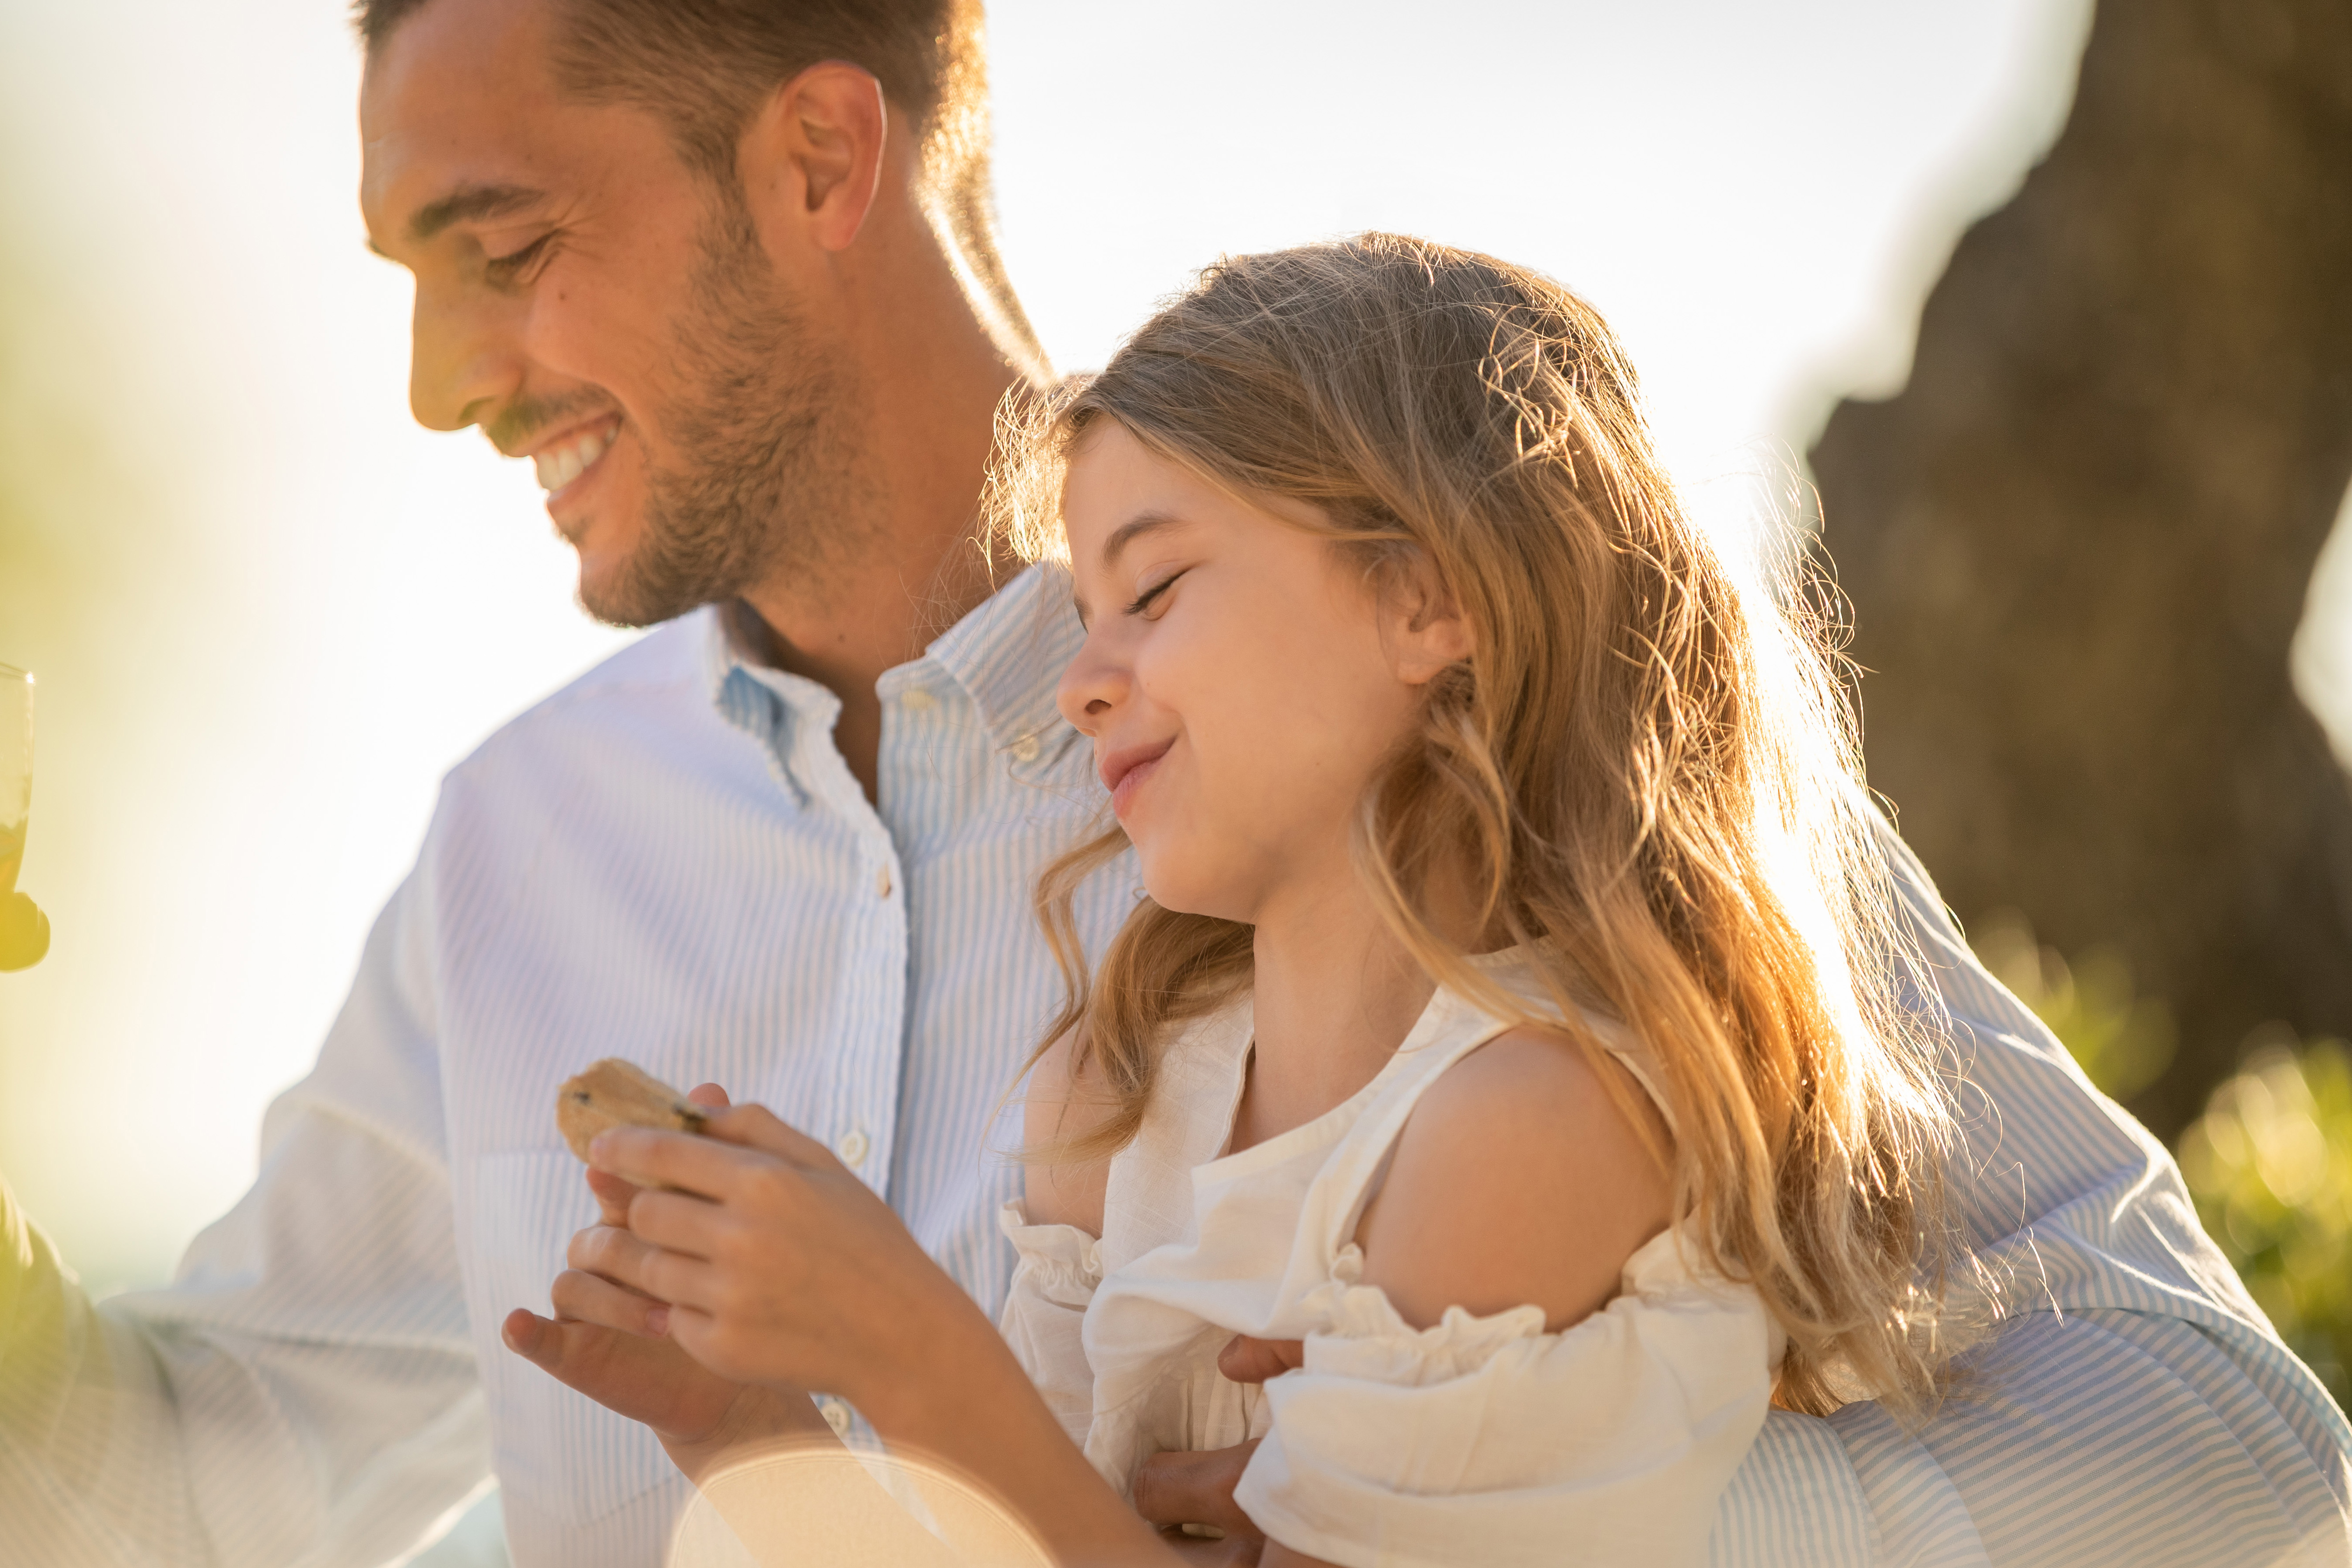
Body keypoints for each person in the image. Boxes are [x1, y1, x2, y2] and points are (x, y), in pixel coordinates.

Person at [0, 3, 2338, 1567]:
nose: (435, 385)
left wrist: (1498, 1491)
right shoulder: (513, 860)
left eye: (498, 250)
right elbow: (180, 1483)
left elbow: (2228, 1452)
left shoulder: (1477, 732)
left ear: (821, 151)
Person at [539, 234, 1975, 1565]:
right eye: (1088, 617)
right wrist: (752, 1429)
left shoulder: (1526, 1122)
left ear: (1427, 597)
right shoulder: (1115, 1106)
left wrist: (906, 1348)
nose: (1082, 679)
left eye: (1154, 589)